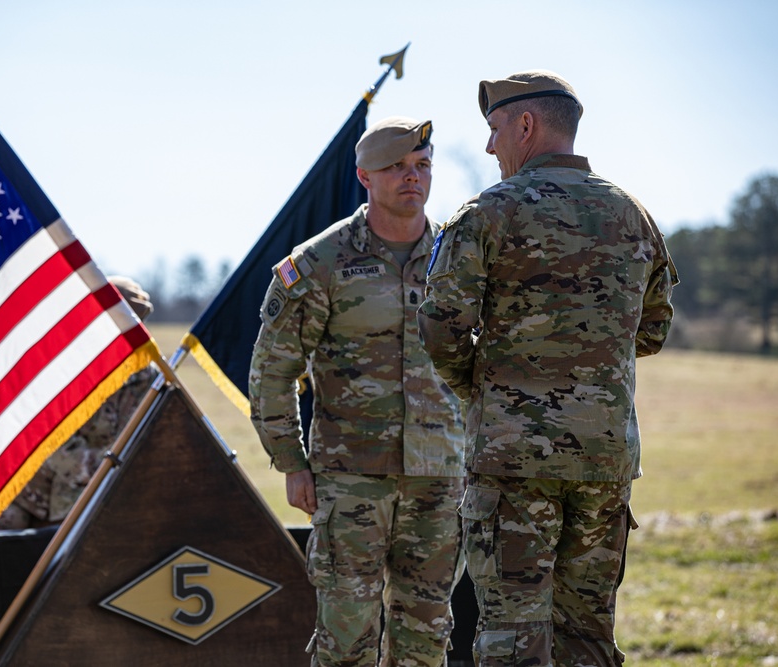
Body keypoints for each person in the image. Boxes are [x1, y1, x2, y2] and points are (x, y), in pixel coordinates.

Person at [417, 70, 678, 666]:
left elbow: (439, 327)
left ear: (526, 125)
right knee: (588, 636)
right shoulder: (633, 214)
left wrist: (482, 390)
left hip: (512, 463)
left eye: (494, 129)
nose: (490, 147)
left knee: (512, 637)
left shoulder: (488, 213)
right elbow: (655, 331)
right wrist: (589, 370)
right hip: (604, 461)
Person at [249, 117, 467, 666]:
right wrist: (292, 463)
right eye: (395, 167)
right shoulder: (319, 264)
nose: (411, 178)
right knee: (346, 638)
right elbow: (272, 372)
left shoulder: (459, 258)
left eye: (421, 166)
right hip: (349, 483)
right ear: (364, 177)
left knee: (427, 636)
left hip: (440, 480)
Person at [0, 275, 159, 529]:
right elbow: (55, 451)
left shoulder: (153, 381)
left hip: (115, 498)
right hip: (43, 497)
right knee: (1, 539)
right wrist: (111, 464)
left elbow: (155, 447)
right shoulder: (62, 373)